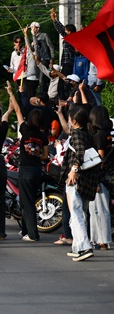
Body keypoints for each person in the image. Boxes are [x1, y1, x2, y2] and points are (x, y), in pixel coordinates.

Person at [6, 81, 48, 242]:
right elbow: (45, 156)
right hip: (37, 170)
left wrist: (11, 92)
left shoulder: (25, 129)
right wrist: (35, 152)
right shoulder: (43, 136)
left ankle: (32, 234)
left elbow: (17, 109)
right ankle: (25, 230)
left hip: (25, 169)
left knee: (27, 202)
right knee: (27, 200)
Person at [60, 105, 99, 261]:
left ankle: (84, 247)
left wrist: (73, 170)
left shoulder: (76, 133)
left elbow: (80, 152)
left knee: (75, 213)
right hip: (88, 180)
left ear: (74, 121)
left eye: (69, 118)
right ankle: (77, 246)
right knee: (79, 213)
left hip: (75, 179)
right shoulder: (88, 133)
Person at [87, 106, 112, 250]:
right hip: (107, 175)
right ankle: (97, 238)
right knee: (97, 209)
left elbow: (100, 159)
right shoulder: (108, 134)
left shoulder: (99, 136)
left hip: (100, 176)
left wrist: (94, 178)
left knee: (99, 209)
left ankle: (102, 239)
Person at [29, 21, 54, 94]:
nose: (33, 29)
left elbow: (51, 47)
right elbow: (34, 50)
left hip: (44, 59)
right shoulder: (33, 38)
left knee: (42, 79)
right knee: (38, 79)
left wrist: (52, 58)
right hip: (37, 60)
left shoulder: (44, 35)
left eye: (34, 28)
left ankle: (43, 95)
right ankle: (40, 93)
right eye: (32, 28)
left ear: (38, 28)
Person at [50, 8, 75, 76]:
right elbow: (61, 29)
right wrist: (55, 19)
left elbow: (61, 30)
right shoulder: (69, 37)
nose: (65, 31)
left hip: (69, 63)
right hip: (65, 62)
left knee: (64, 81)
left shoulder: (72, 39)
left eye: (66, 30)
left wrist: (55, 20)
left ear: (70, 32)